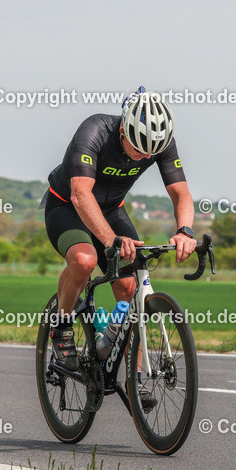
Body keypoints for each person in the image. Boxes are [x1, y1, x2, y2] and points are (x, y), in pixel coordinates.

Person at [43, 89, 197, 408]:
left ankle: (134, 375)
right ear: (124, 129)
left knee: (130, 287)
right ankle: (61, 325)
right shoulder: (94, 131)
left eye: (149, 153)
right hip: (67, 207)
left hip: (112, 209)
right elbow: (80, 194)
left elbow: (181, 194)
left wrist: (185, 231)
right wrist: (110, 238)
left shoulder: (158, 142)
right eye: (138, 149)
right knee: (84, 261)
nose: (143, 158)